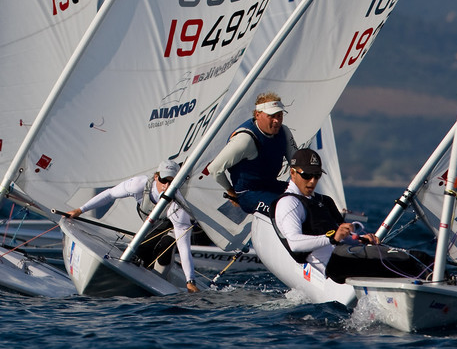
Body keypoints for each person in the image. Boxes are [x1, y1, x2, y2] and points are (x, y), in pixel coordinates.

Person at [273, 148, 430, 283]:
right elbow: (294, 243)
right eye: (307, 175)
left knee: (419, 258)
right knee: (416, 260)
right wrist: (332, 238)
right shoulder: (289, 203)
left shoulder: (324, 201)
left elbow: (342, 236)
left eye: (317, 175)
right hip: (335, 263)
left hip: (346, 254)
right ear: (292, 172)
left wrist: (360, 239)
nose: (312, 181)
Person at [66, 160, 201, 292]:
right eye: (163, 180)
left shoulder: (177, 208)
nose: (166, 186)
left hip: (171, 229)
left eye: (171, 182)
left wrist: (190, 281)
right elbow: (110, 194)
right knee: (140, 256)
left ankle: (160, 281)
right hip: (152, 228)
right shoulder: (139, 185)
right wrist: (80, 210)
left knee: (165, 246)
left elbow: (184, 247)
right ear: (156, 177)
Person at [206, 92, 298, 214]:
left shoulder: (284, 131)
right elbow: (214, 168)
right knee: (287, 209)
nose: (277, 120)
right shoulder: (245, 139)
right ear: (257, 115)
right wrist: (230, 191)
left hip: (271, 185)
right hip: (248, 193)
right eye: (271, 116)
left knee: (315, 201)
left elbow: (297, 163)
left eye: (279, 115)